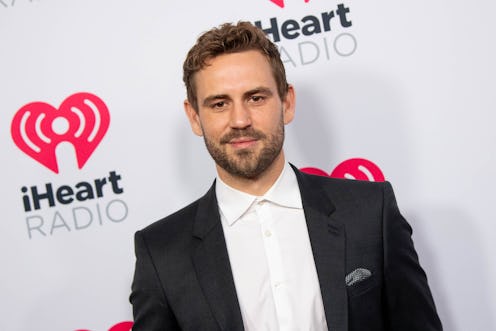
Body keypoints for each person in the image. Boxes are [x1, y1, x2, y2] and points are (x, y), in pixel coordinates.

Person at [130, 21, 442, 331]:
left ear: (287, 103)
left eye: (256, 98)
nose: (240, 120)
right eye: (220, 103)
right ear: (195, 117)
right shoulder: (161, 253)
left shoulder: (370, 211)